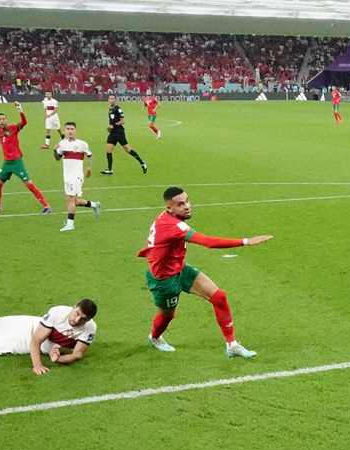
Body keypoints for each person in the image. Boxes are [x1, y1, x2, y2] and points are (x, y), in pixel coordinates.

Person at [137, 187, 272, 358]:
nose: (187, 206)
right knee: (167, 315)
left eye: (187, 200)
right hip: (164, 279)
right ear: (169, 208)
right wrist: (246, 241)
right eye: (180, 204)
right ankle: (154, 337)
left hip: (180, 268)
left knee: (219, 297)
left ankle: (232, 345)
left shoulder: (171, 219)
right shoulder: (171, 225)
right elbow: (208, 242)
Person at [0, 299, 97, 375]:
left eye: (83, 319)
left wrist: (59, 359)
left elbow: (77, 355)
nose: (77, 320)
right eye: (77, 314)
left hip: (22, 343)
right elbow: (37, 339)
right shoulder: (58, 312)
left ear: (88, 320)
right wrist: (37, 365)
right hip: (31, 325)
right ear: (73, 308)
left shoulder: (90, 328)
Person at [54, 121, 101, 231]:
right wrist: (55, 150)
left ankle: (70, 224)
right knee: (74, 201)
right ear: (65, 131)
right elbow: (57, 158)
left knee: (69, 199)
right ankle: (95, 205)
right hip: (66, 176)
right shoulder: (62, 144)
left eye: (72, 129)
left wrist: (89, 168)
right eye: (68, 129)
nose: (70, 131)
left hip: (76, 176)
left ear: (76, 131)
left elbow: (90, 156)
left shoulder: (81, 144)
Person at [101, 94, 147, 175]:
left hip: (119, 133)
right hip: (113, 133)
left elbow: (123, 121)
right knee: (108, 150)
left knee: (128, 150)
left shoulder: (118, 109)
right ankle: (109, 169)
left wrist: (113, 126)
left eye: (113, 99)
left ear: (115, 100)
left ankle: (142, 162)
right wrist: (110, 128)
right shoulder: (110, 109)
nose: (111, 100)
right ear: (108, 100)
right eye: (110, 98)